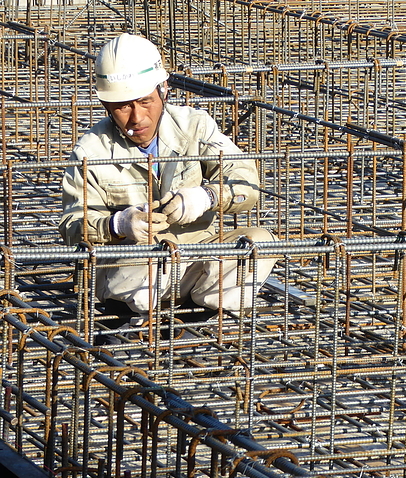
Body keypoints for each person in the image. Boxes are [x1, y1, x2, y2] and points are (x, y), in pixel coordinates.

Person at [60, 33, 275, 325]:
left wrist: (207, 197)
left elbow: (247, 184)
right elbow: (72, 226)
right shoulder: (91, 151)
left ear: (164, 89)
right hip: (131, 273)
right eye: (123, 106)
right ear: (107, 106)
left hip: (194, 257)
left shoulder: (195, 127)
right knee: (153, 256)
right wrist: (117, 225)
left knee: (259, 243)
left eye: (145, 101)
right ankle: (134, 324)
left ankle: (208, 320)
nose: (136, 117)